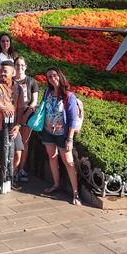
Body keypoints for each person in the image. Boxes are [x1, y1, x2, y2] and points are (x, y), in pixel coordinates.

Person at [39, 67, 82, 206]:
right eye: (49, 77)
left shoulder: (69, 96)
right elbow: (43, 108)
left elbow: (73, 119)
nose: (52, 79)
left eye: (54, 75)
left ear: (60, 76)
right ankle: (56, 184)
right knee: (52, 157)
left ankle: (76, 193)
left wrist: (69, 138)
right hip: (47, 131)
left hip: (62, 134)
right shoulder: (47, 92)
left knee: (69, 162)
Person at [0, 60, 25, 194]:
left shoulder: (18, 88)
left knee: (17, 154)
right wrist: (0, 108)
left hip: (13, 126)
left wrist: (18, 126)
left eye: (5, 71)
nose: (2, 73)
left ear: (13, 73)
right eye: (1, 71)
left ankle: (9, 176)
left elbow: (20, 109)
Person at [13, 56, 39, 182]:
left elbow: (34, 101)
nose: (20, 67)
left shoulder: (32, 81)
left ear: (26, 66)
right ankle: (12, 168)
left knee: (24, 143)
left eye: (22, 65)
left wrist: (25, 114)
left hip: (27, 115)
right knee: (13, 142)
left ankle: (21, 168)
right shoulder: (11, 80)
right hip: (13, 114)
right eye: (17, 64)